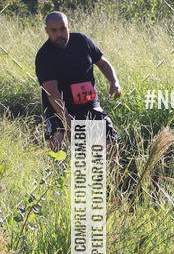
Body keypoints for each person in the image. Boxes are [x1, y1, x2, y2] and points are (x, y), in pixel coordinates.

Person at [34, 11, 121, 174]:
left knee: (109, 142)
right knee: (58, 146)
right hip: (58, 110)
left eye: (62, 29)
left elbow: (103, 63)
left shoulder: (82, 41)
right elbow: (52, 92)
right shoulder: (44, 56)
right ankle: (57, 184)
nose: (59, 34)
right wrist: (67, 120)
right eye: (54, 30)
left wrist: (114, 81)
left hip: (88, 105)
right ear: (47, 31)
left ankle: (112, 186)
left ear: (68, 26)